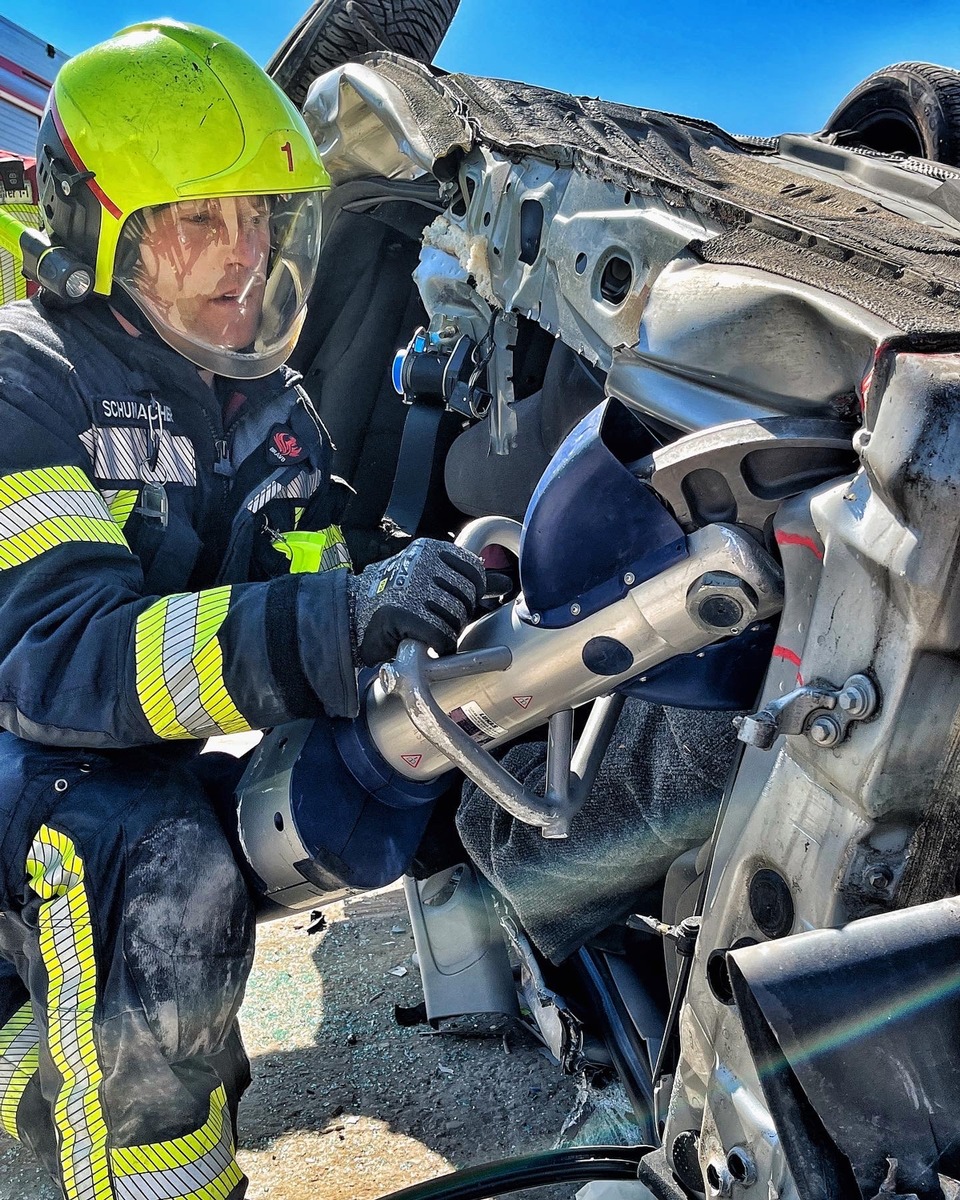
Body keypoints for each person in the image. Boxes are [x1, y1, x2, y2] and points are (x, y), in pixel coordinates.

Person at [0, 19, 483, 1200]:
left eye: (262, 214)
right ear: (100, 233)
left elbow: (307, 574)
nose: (244, 252)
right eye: (198, 220)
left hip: (113, 748)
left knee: (343, 794)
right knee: (164, 866)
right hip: (30, 747)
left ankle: (30, 1061)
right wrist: (333, 622)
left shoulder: (271, 406)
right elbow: (59, 663)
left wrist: (431, 598)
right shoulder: (28, 382)